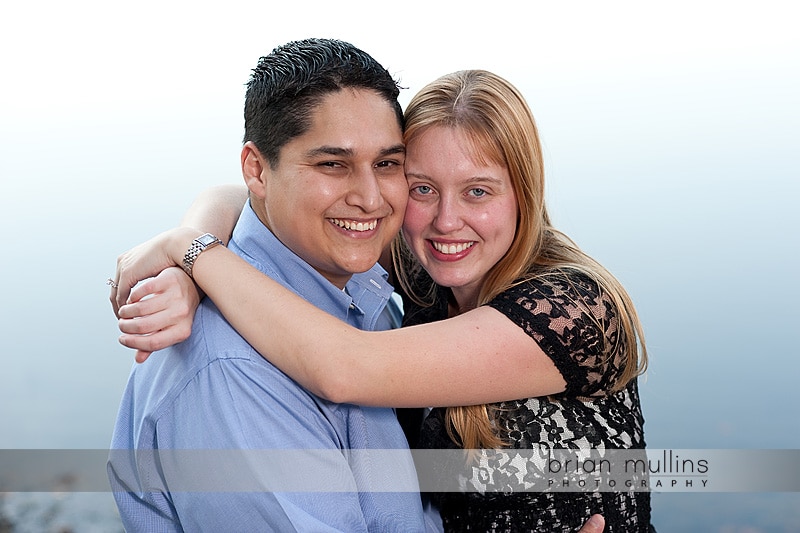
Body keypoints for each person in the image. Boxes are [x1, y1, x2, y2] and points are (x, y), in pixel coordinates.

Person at [112, 71, 634, 531]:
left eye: (479, 191)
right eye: (422, 187)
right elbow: (247, 194)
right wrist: (191, 262)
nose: (446, 220)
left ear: (525, 191)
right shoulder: (428, 268)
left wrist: (189, 253)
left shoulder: (574, 308)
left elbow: (346, 367)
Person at [106, 38, 440, 532]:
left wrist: (192, 250)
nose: (370, 198)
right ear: (257, 170)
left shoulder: (364, 292)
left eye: (387, 164)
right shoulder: (232, 374)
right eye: (333, 164)